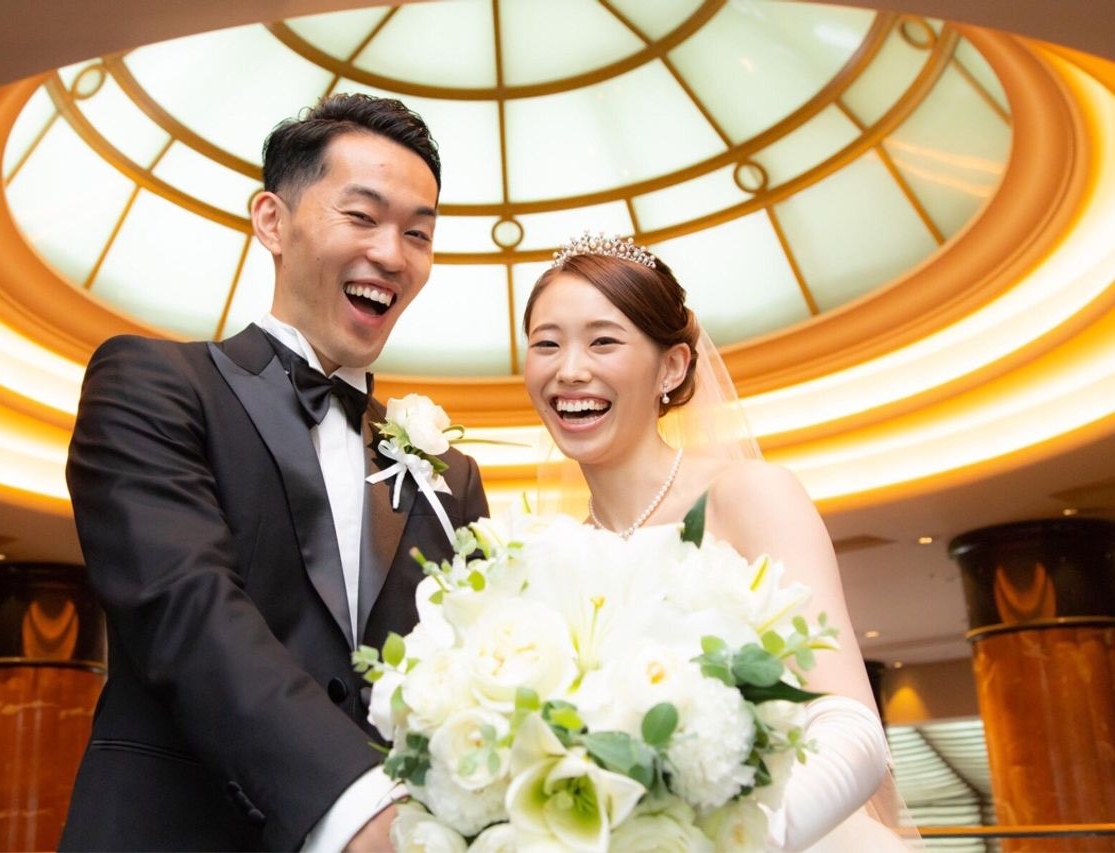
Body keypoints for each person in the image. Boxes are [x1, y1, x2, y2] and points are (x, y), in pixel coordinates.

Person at [60, 93, 488, 851]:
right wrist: (355, 804)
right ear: (271, 220)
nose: (393, 255)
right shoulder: (153, 384)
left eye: (418, 234)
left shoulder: (448, 472)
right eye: (362, 216)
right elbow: (185, 610)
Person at [522, 235, 911, 851]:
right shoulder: (548, 554)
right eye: (546, 343)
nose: (569, 370)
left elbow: (855, 730)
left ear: (672, 367)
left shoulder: (750, 495)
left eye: (603, 341)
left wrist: (727, 842)